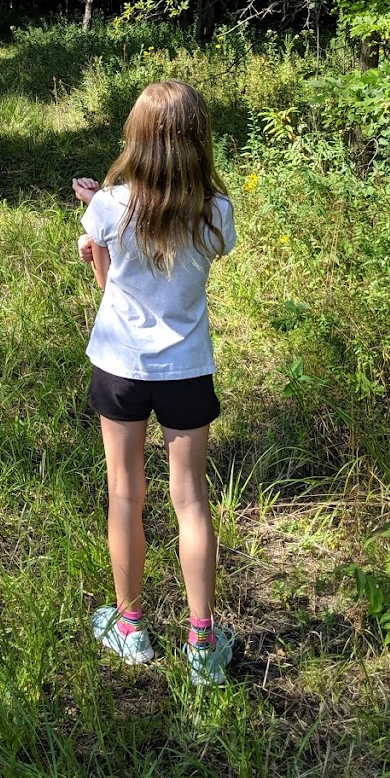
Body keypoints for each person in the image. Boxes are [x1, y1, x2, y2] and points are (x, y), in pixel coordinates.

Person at [73, 80, 236, 687]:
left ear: (135, 138)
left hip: (121, 366)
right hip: (187, 369)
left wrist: (97, 240)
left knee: (125, 494)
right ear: (199, 140)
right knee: (191, 499)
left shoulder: (109, 206)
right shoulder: (216, 211)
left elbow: (109, 284)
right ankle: (202, 640)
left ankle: (131, 624)